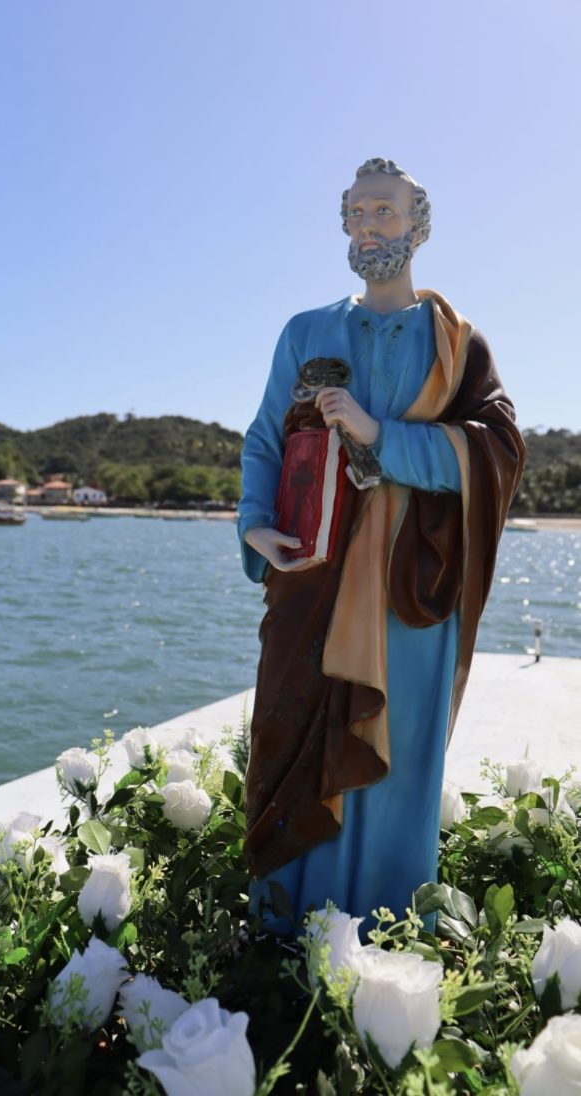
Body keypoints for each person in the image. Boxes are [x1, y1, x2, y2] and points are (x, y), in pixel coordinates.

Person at [237, 158, 525, 935]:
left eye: (386, 212)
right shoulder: (305, 332)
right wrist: (254, 524)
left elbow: (496, 452)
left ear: (420, 227)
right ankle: (282, 936)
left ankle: (388, 941)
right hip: (314, 574)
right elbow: (265, 438)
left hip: (413, 586)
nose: (370, 225)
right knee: (291, 735)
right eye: (358, 212)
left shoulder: (458, 347)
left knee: (395, 757)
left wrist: (378, 436)